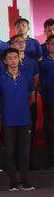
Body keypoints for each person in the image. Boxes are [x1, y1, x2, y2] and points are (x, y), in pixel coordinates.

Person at [0, 48, 36, 191]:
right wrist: (6, 110)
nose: (13, 60)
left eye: (15, 57)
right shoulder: (1, 77)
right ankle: (13, 181)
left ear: (19, 59)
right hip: (8, 120)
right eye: (10, 58)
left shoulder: (26, 76)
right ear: (5, 61)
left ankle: (25, 180)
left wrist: (22, 107)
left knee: (24, 152)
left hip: (24, 120)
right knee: (10, 151)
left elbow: (32, 97)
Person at [40, 35, 54, 168]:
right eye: (52, 44)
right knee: (50, 130)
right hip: (49, 100)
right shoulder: (43, 63)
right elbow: (39, 82)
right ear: (47, 46)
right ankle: (51, 159)